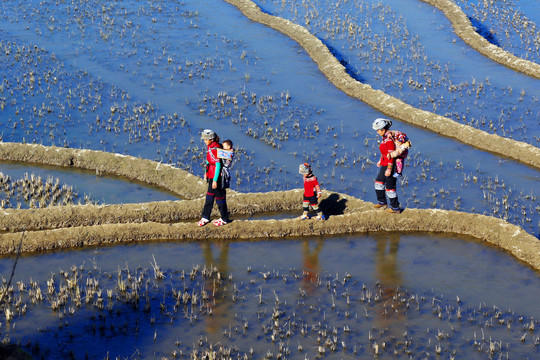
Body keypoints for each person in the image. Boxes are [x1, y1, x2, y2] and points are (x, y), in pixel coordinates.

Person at [198, 129, 230, 226]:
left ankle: (224, 219)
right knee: (209, 198)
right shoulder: (210, 147)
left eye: (205, 140)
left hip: (218, 177)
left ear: (211, 139)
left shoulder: (216, 149)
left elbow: (218, 165)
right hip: (211, 175)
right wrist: (206, 173)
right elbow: (208, 161)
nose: (204, 141)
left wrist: (215, 180)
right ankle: (205, 217)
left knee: (220, 199)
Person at [372, 118, 401, 213]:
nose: (377, 132)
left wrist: (389, 169)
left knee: (390, 187)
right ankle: (382, 202)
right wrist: (380, 160)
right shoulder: (384, 138)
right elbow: (385, 152)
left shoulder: (388, 139)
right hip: (385, 164)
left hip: (391, 166)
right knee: (378, 182)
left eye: (378, 130)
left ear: (383, 130)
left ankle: (395, 208)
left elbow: (391, 156)